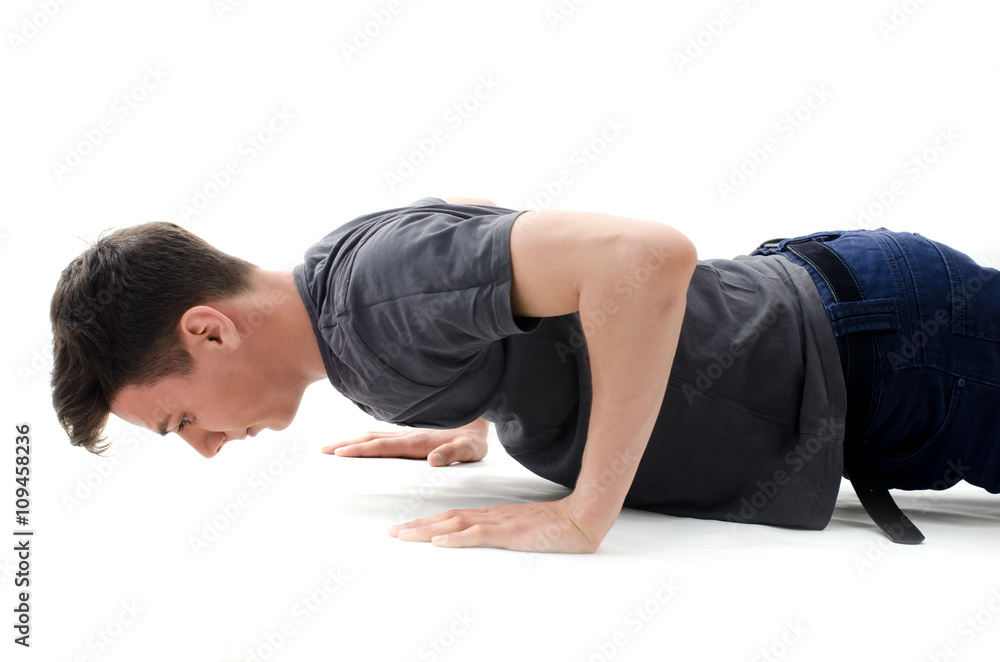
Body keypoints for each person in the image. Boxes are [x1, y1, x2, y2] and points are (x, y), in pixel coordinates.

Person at [49, 197, 1000, 553]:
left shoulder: (375, 295)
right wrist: (469, 401)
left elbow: (644, 257)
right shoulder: (350, 298)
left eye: (179, 422)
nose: (207, 449)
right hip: (869, 347)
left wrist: (585, 513)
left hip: (896, 352)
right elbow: (494, 246)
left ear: (209, 332)